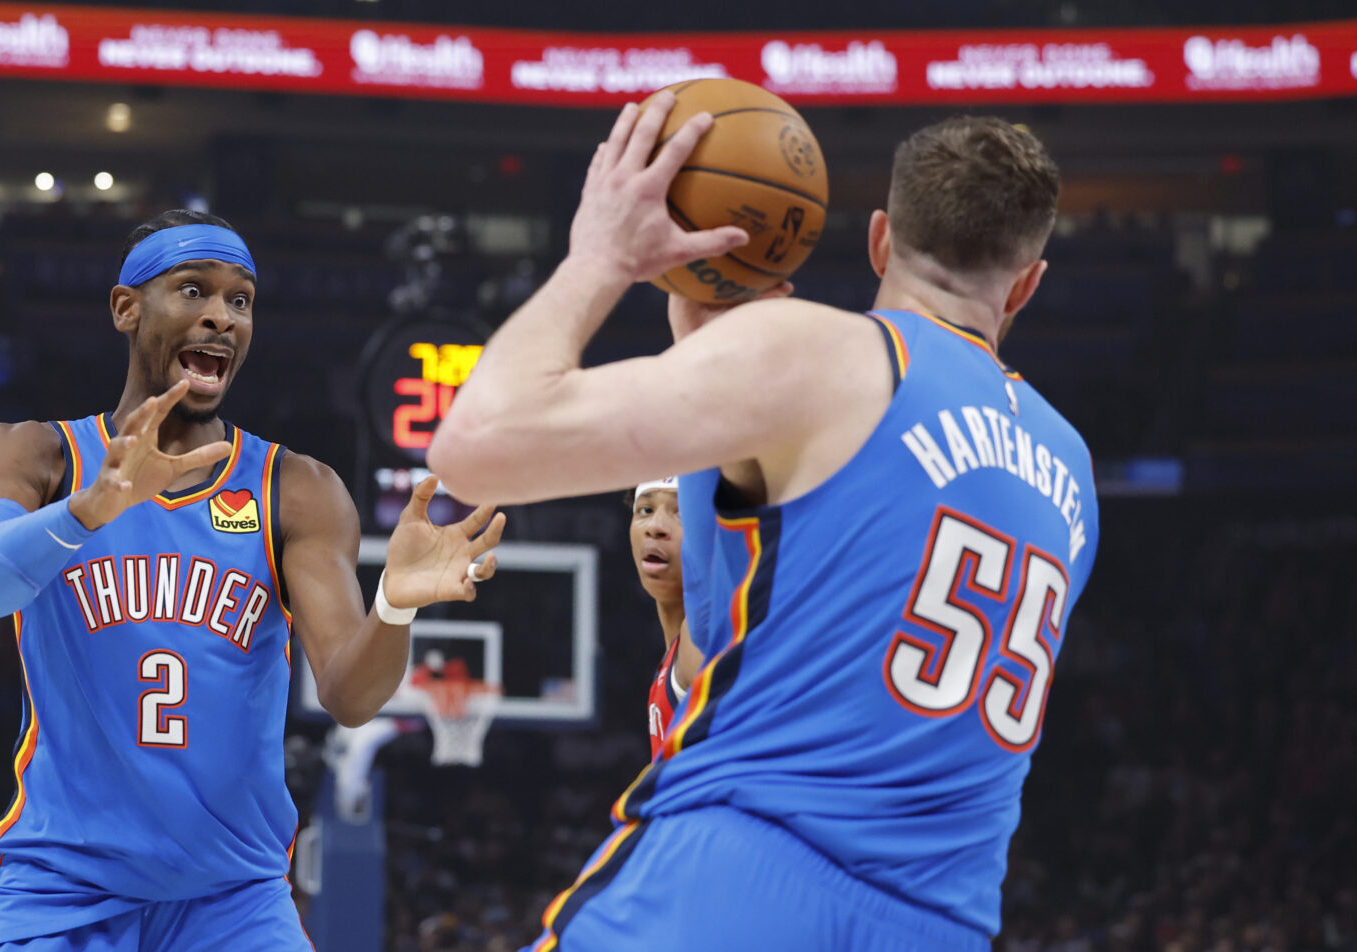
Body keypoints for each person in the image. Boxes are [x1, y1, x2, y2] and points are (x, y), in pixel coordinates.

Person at [430, 96, 1097, 949]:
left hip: (743, 881)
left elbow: (475, 450)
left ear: (881, 239)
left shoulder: (822, 353)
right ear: (1028, 284)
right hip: (944, 921)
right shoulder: (1068, 467)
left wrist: (601, 258)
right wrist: (720, 434)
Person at [0, 209, 505, 952]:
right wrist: (88, 511)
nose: (220, 316)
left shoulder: (293, 488)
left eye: (240, 300)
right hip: (62, 887)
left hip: (231, 900)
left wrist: (395, 605)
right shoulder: (38, 458)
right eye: (193, 291)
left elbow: (350, 694)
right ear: (126, 307)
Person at [627, 477, 701, 758]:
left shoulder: (703, 634)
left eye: (681, 512)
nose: (655, 528)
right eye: (645, 511)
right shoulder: (673, 654)